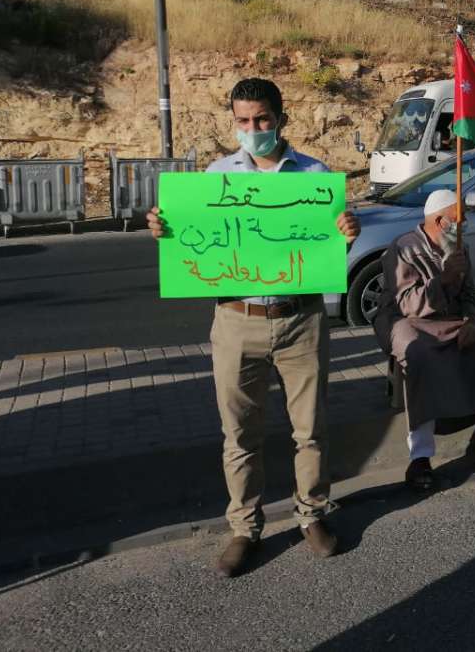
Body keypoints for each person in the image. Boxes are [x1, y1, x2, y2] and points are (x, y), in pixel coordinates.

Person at [146, 77, 359, 578]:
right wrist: (164, 228)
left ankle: (312, 514)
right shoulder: (216, 177)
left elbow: (326, 250)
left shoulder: (313, 175)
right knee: (239, 434)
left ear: (281, 117)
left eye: (262, 119)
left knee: (310, 430)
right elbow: (194, 240)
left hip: (300, 318)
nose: (253, 129)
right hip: (236, 320)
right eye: (243, 120)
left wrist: (346, 235)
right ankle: (245, 528)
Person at [374, 189, 475, 491]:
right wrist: (444, 281)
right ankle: (420, 458)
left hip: (451, 321)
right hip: (410, 322)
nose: (464, 225)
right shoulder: (402, 248)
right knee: (420, 355)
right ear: (440, 221)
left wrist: (473, 322)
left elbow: (470, 296)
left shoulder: (460, 248)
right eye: (459, 219)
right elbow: (407, 303)